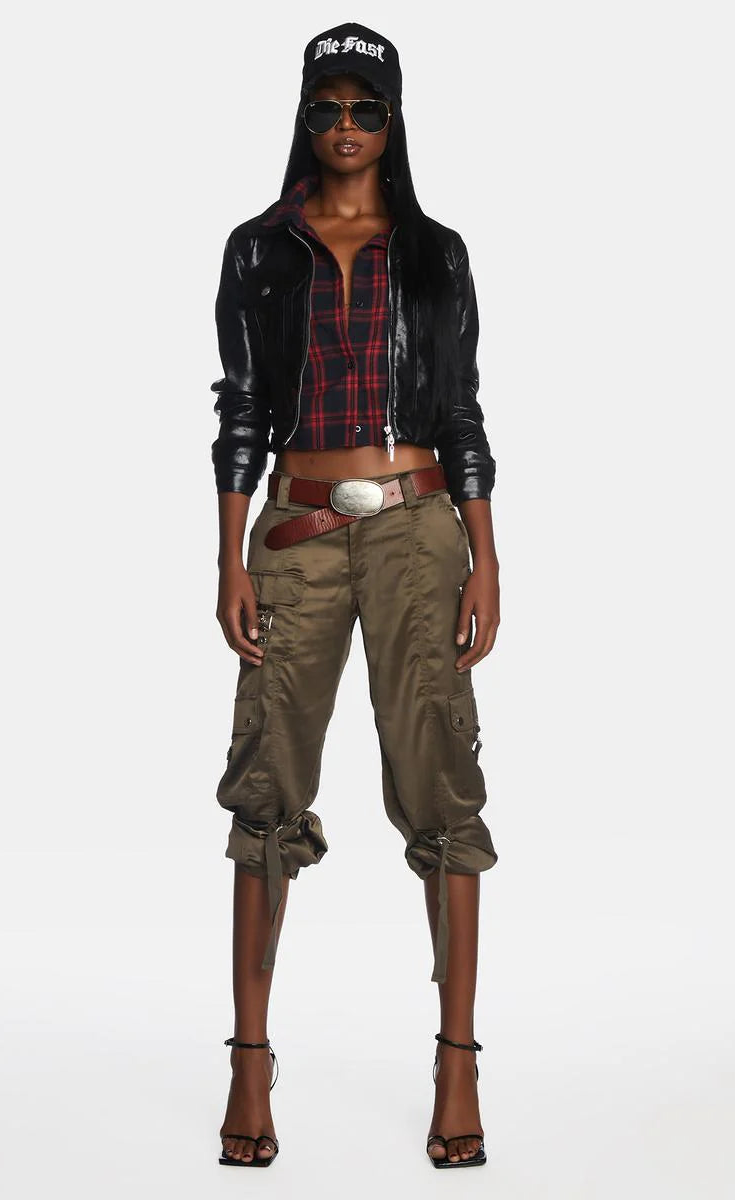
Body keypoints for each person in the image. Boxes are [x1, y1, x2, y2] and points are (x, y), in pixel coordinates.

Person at [210, 22, 501, 1169]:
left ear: (393, 119)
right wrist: (229, 556)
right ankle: (248, 1059)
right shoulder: (258, 249)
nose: (345, 126)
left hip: (419, 529)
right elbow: (241, 407)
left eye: (365, 107)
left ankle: (458, 1060)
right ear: (304, 117)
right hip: (294, 528)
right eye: (327, 107)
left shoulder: (435, 253)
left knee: (440, 780)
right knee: (268, 781)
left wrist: (487, 554)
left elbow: (463, 407)